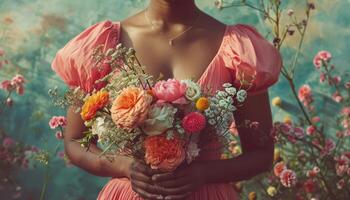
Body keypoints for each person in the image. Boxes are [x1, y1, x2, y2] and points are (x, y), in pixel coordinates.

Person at [51, 0, 282, 199]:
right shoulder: (103, 44)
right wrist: (124, 166)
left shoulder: (238, 48)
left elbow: (261, 153)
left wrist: (204, 173)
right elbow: (74, 141)